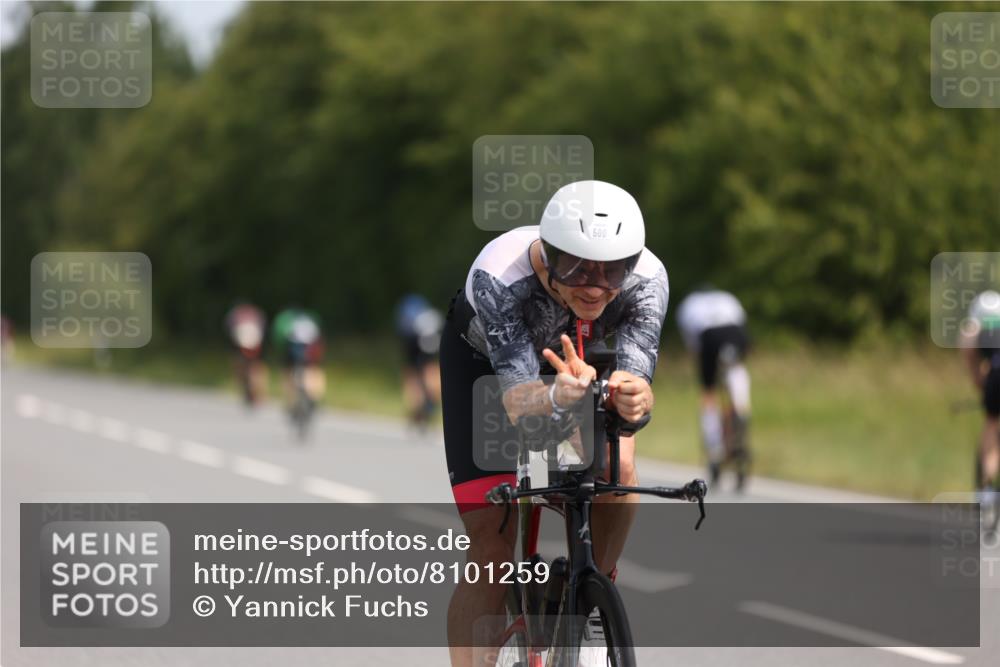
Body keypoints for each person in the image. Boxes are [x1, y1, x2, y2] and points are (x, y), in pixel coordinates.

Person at [440, 180, 668, 667]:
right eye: (577, 268)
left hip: (584, 361)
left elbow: (634, 385)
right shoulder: (499, 275)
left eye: (613, 272)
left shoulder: (648, 278)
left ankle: (591, 589)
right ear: (547, 252)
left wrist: (633, 399)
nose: (594, 285)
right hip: (488, 370)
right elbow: (521, 402)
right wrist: (557, 396)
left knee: (619, 467)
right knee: (492, 553)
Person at [676, 286, 751, 488]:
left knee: (709, 395)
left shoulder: (688, 304)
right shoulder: (728, 297)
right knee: (735, 376)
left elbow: (695, 348)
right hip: (735, 332)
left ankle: (714, 447)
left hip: (709, 336)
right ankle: (740, 412)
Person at [961, 290, 1000, 496]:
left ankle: (986, 488)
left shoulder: (976, 325)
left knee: (992, 423)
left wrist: (979, 380)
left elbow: (968, 348)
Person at [395, 294, 444, 429]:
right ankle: (426, 407)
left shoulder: (409, 317)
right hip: (424, 337)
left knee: (415, 374)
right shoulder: (424, 317)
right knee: (426, 370)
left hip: (415, 338)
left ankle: (421, 408)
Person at [271, 307, 326, 413]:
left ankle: (290, 400)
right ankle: (315, 397)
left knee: (287, 371)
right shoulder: (311, 321)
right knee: (314, 370)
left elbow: (280, 338)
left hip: (293, 349)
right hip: (312, 348)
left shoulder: (287, 321)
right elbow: (319, 339)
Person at [224, 302, 268, 407]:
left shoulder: (235, 314)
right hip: (256, 342)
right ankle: (260, 393)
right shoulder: (256, 313)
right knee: (257, 367)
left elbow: (229, 329)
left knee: (239, 364)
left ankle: (244, 387)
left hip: (241, 342)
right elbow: (263, 327)